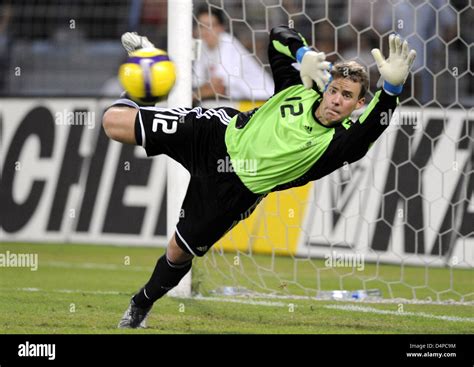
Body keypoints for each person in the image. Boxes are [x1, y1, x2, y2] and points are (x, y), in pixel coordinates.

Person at [102, 26, 416, 328]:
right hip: (214, 134)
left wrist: (391, 91)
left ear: (359, 104)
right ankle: (148, 74)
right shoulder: (300, 88)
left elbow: (374, 125)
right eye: (333, 90)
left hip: (230, 193)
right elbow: (279, 35)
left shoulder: (339, 144)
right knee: (113, 123)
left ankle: (139, 305)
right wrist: (303, 53)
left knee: (177, 252)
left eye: (347, 96)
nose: (335, 100)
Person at [193, 6, 274, 101]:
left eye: (211, 25)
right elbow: (196, 82)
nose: (206, 31)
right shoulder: (201, 46)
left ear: (221, 28)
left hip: (263, 100)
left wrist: (191, 97)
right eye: (202, 26)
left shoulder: (228, 43)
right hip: (237, 102)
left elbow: (220, 87)